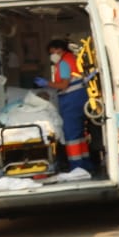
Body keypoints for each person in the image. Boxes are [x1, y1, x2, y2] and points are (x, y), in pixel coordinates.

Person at [43, 38, 93, 174]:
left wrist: (47, 83)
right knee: (79, 134)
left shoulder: (64, 63)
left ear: (59, 50)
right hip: (80, 97)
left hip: (71, 100)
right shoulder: (72, 58)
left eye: (52, 52)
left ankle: (76, 167)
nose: (51, 56)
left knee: (71, 135)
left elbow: (64, 85)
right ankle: (86, 164)